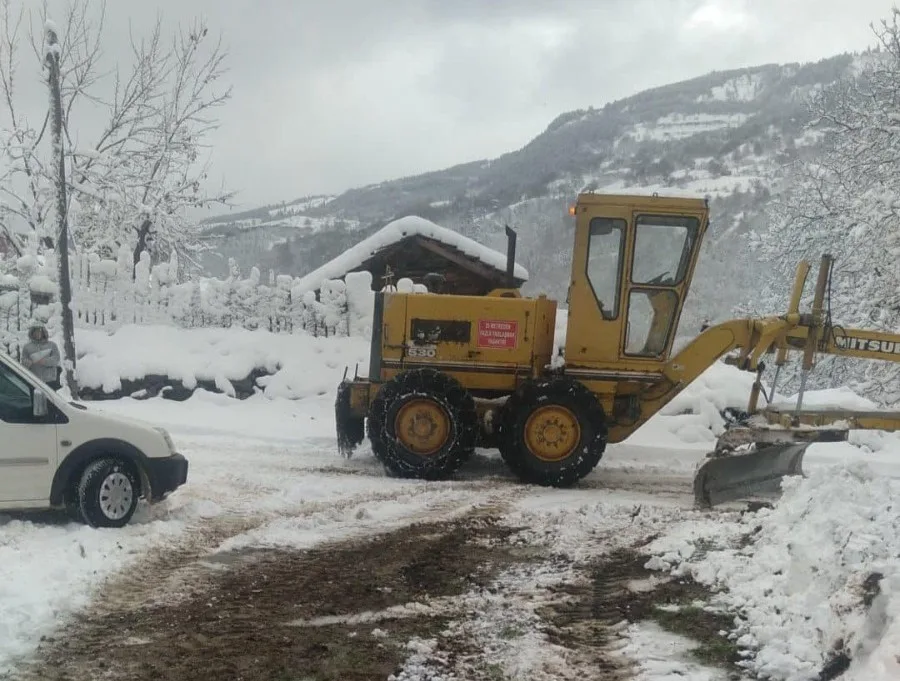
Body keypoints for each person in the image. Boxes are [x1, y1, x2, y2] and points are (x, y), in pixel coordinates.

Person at [21, 323, 62, 390]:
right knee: (36, 399)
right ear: (32, 333)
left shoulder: (52, 345)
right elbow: (23, 361)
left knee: (50, 400)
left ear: (44, 333)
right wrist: (28, 362)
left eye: (39, 332)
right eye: (35, 332)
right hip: (34, 380)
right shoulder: (27, 347)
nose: (37, 334)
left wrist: (45, 361)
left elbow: (56, 359)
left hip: (50, 380)